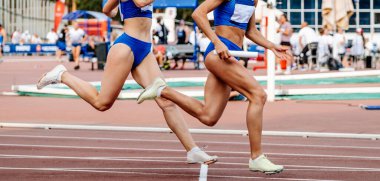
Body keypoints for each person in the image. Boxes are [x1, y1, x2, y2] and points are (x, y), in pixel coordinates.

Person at [36, 0, 217, 165]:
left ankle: (192, 150)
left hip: (144, 48)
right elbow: (140, 2)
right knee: (102, 103)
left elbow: (107, 9)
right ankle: (62, 75)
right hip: (126, 46)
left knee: (166, 99)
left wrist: (114, 10)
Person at [138, 0, 291, 174]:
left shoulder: (254, 0)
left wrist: (271, 46)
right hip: (218, 54)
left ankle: (161, 89)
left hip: (231, 54)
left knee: (208, 116)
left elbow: (250, 31)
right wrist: (217, 41)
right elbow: (198, 13)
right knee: (258, 95)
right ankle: (257, 157)